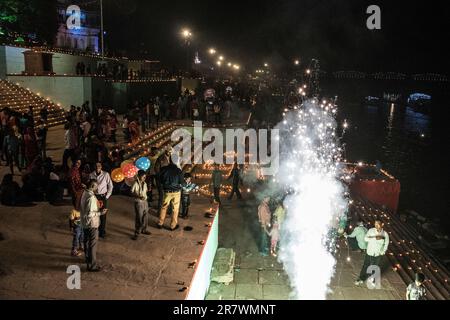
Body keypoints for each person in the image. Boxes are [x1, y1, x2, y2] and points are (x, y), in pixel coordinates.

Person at [80, 179, 107, 272]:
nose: (97, 187)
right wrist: (100, 213)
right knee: (92, 245)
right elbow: (90, 214)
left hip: (85, 222)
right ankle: (92, 265)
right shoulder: (91, 197)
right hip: (92, 223)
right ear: (92, 186)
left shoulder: (85, 193)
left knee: (87, 242)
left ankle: (88, 260)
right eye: (96, 186)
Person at [355, 219, 389, 286]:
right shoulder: (371, 231)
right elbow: (365, 239)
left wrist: (383, 251)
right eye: (375, 224)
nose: (376, 225)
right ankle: (361, 278)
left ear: (382, 224)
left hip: (377, 254)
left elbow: (386, 244)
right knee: (365, 265)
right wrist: (374, 237)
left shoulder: (385, 234)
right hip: (369, 252)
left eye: (378, 224)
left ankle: (373, 279)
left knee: (375, 267)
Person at [157, 159, 184, 231]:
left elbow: (159, 180)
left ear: (169, 161)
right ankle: (172, 225)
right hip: (176, 192)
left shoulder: (163, 169)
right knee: (175, 209)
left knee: (164, 207)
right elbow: (181, 182)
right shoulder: (178, 171)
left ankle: (160, 223)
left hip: (167, 191)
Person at [90, 162, 113, 239]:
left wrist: (107, 196)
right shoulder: (91, 174)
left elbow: (110, 185)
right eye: (96, 166)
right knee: (95, 213)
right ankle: (95, 230)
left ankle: (102, 231)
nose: (97, 167)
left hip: (103, 196)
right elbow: (90, 186)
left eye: (99, 166)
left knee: (103, 214)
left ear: (101, 167)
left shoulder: (106, 174)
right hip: (95, 197)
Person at [131, 170, 151, 240]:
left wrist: (149, 189)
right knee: (139, 218)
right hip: (138, 202)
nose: (144, 178)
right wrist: (138, 196)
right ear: (139, 176)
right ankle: (137, 232)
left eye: (145, 177)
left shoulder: (145, 183)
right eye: (143, 177)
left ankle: (144, 230)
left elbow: (145, 192)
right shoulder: (135, 183)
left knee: (145, 217)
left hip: (145, 202)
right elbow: (131, 192)